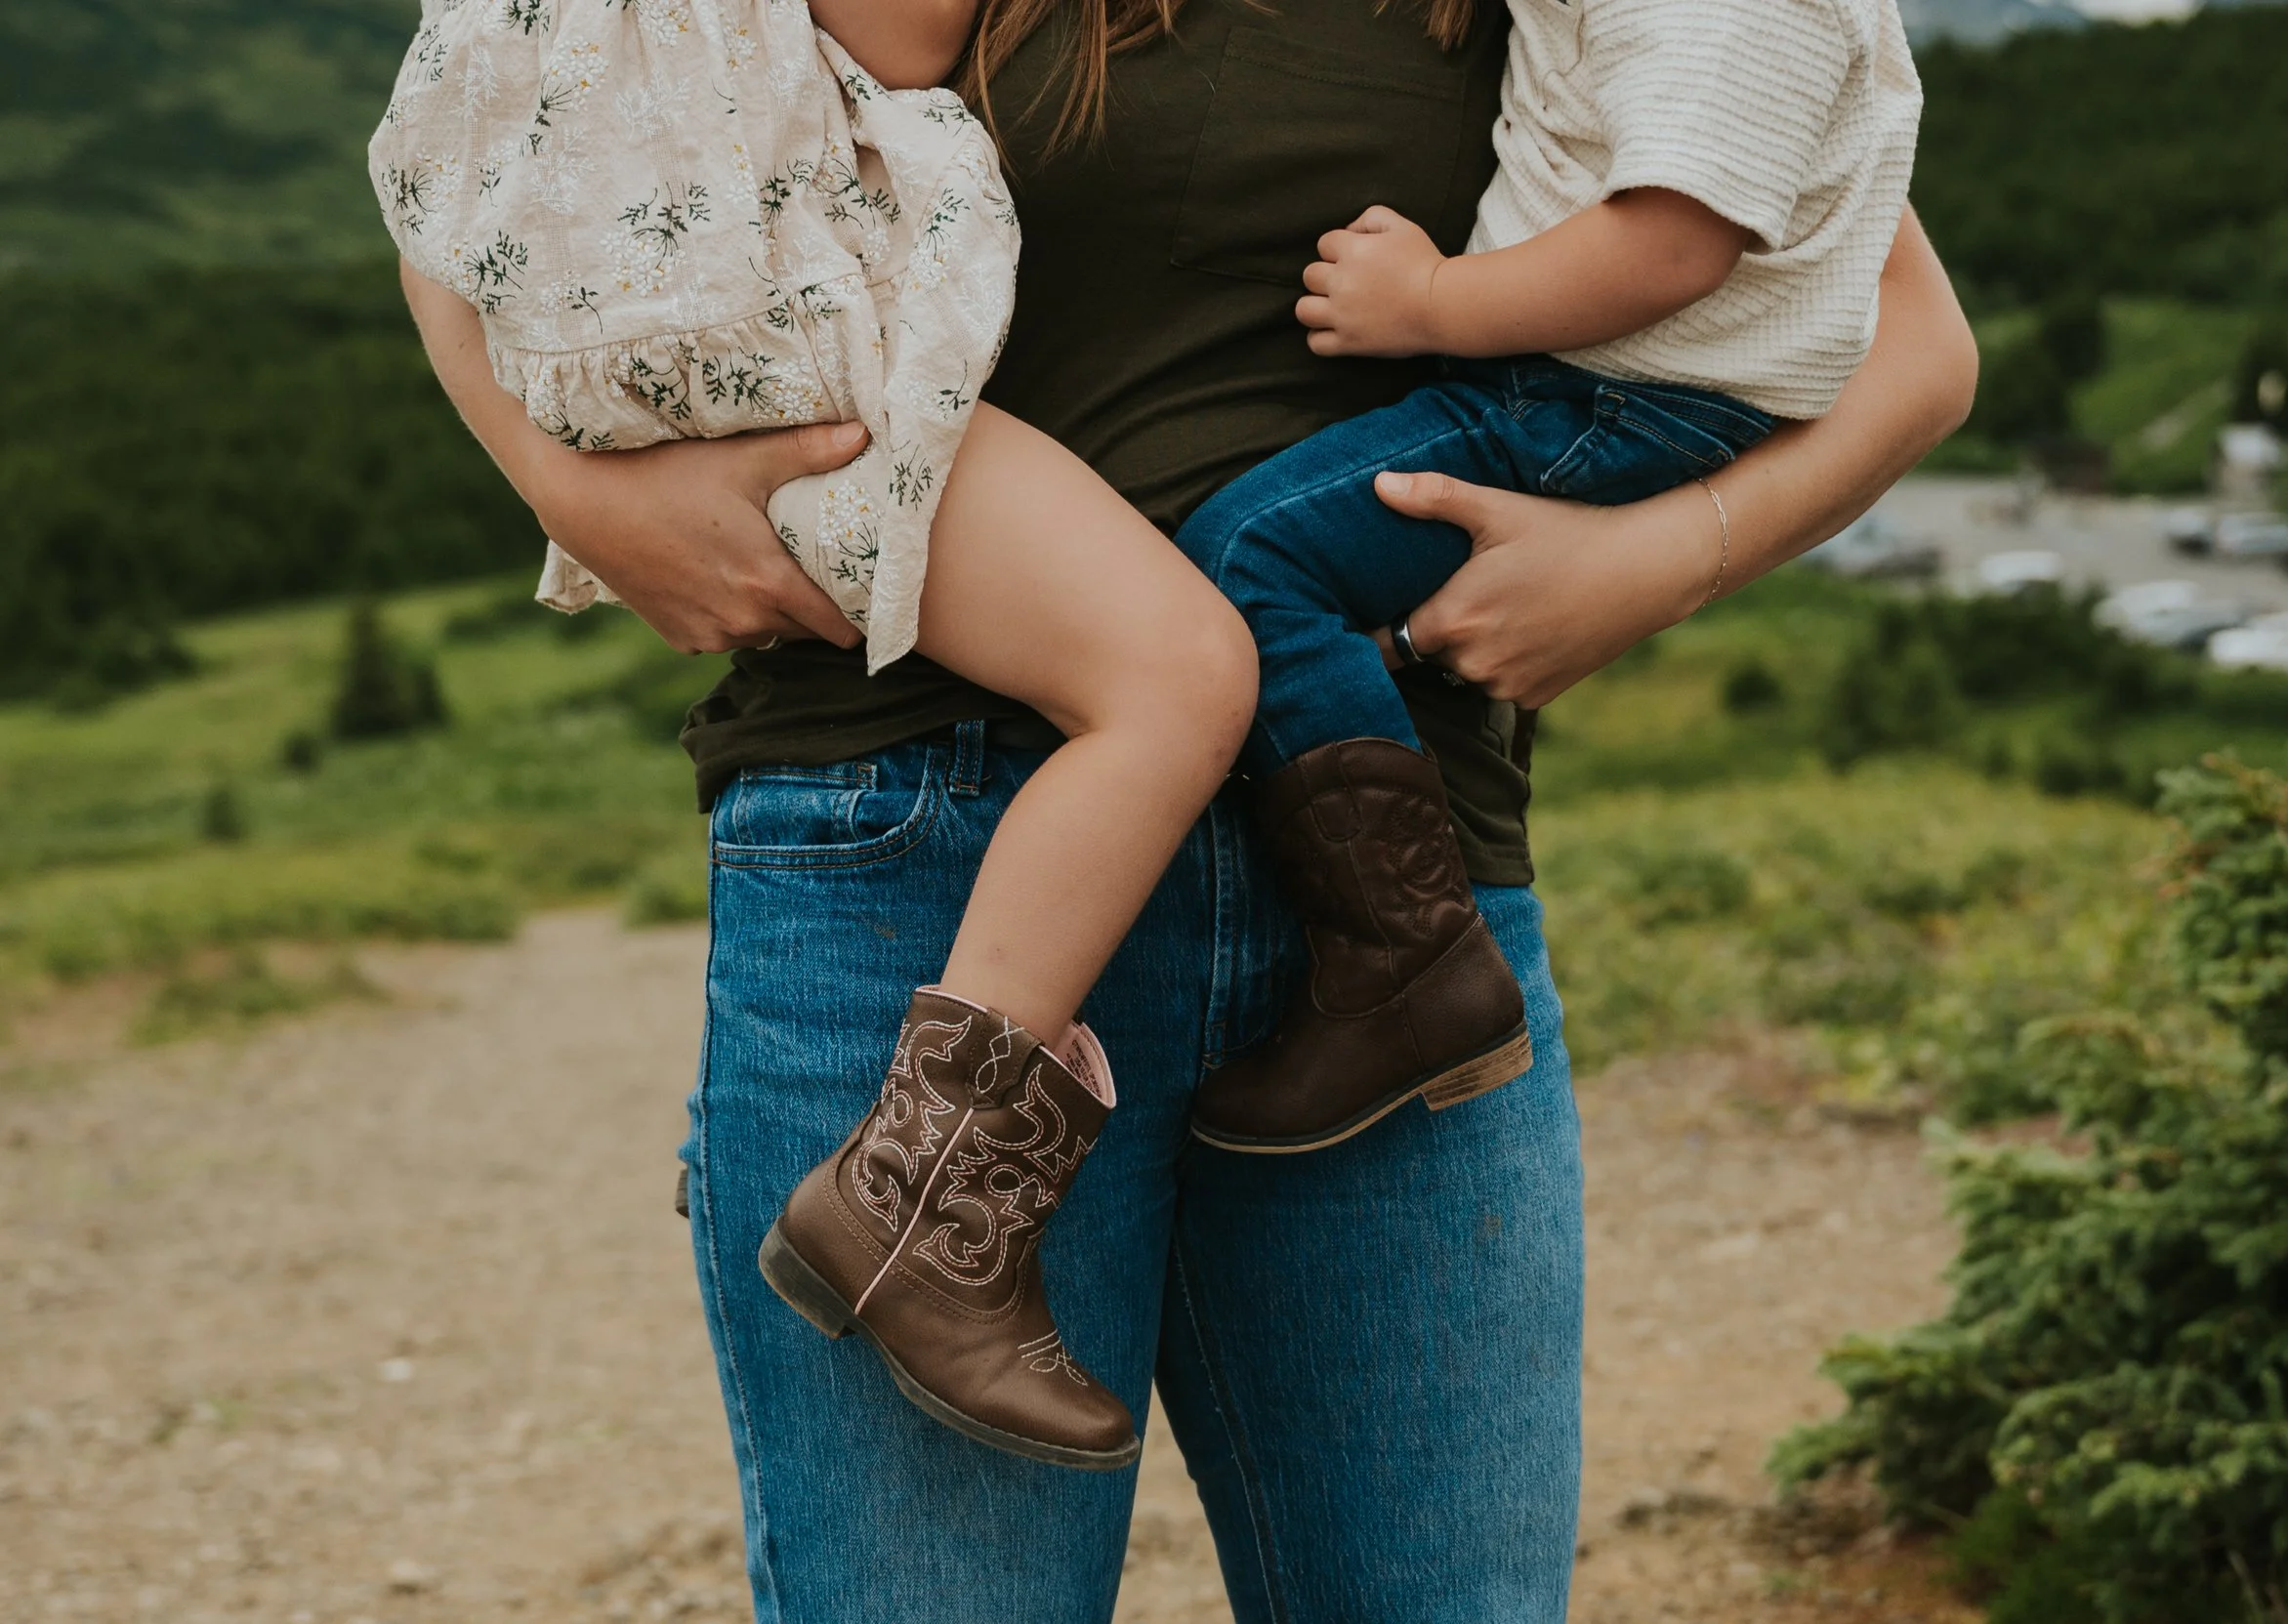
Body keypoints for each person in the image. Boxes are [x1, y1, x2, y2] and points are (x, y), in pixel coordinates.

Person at [398, 0, 1978, 1616]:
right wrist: (568, 481)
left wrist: (1666, 553)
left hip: (1387, 909)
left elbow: (1909, 333)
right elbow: (508, 125)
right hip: (922, 849)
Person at [375, 0, 1260, 1469]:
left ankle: (862, 1166)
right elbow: (909, 33)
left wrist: (555, 457)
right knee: (1176, 675)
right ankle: (919, 1196)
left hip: (666, 363)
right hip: (802, 379)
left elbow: (423, 185)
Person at [1174, 0, 1920, 1153]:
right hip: (1611, 386)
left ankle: (1406, 960)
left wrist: (1427, 304)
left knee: (1251, 558)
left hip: (1602, 394)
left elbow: (1675, 241)